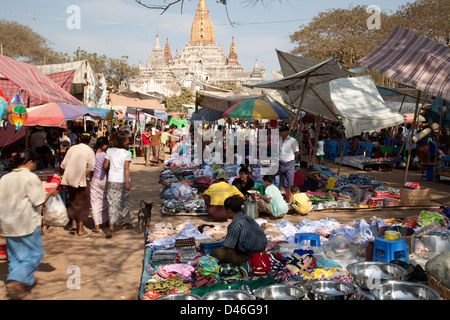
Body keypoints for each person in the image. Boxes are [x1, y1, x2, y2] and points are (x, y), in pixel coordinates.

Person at [0, 151, 58, 299]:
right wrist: (51, 193)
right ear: (29, 162)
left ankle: (20, 285)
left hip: (7, 223)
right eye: (34, 162)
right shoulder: (30, 177)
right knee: (35, 255)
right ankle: (16, 281)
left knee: (14, 256)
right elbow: (38, 201)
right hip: (25, 222)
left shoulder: (4, 178)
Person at [210, 195, 268, 266]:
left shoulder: (234, 224)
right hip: (262, 251)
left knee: (216, 253)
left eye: (225, 209)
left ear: (229, 211)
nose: (224, 212)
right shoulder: (248, 217)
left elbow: (229, 248)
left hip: (249, 256)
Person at [60, 132, 96, 236]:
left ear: (79, 138)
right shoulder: (89, 151)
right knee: (84, 204)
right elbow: (91, 167)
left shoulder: (72, 148)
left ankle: (74, 223)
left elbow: (63, 164)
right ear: (90, 140)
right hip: (83, 180)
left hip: (70, 179)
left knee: (73, 200)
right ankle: (80, 229)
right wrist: (81, 174)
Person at [103, 132, 134, 238]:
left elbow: (105, 166)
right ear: (124, 141)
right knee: (124, 202)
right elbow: (126, 169)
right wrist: (128, 183)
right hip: (122, 180)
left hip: (112, 180)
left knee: (112, 203)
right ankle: (124, 223)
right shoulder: (127, 153)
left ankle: (111, 227)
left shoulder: (109, 151)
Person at [90, 137, 109, 233]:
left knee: (95, 201)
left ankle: (96, 225)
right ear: (103, 145)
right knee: (105, 199)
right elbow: (107, 168)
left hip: (95, 179)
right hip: (104, 179)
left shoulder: (92, 155)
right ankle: (105, 221)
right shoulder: (105, 155)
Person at [278, 125, 299, 203]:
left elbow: (296, 152)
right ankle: (288, 200)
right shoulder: (279, 141)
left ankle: (290, 200)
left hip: (289, 163)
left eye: (282, 131)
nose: (281, 133)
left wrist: (291, 159)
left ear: (287, 132)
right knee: (284, 183)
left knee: (289, 183)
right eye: (280, 131)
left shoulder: (292, 140)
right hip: (281, 163)